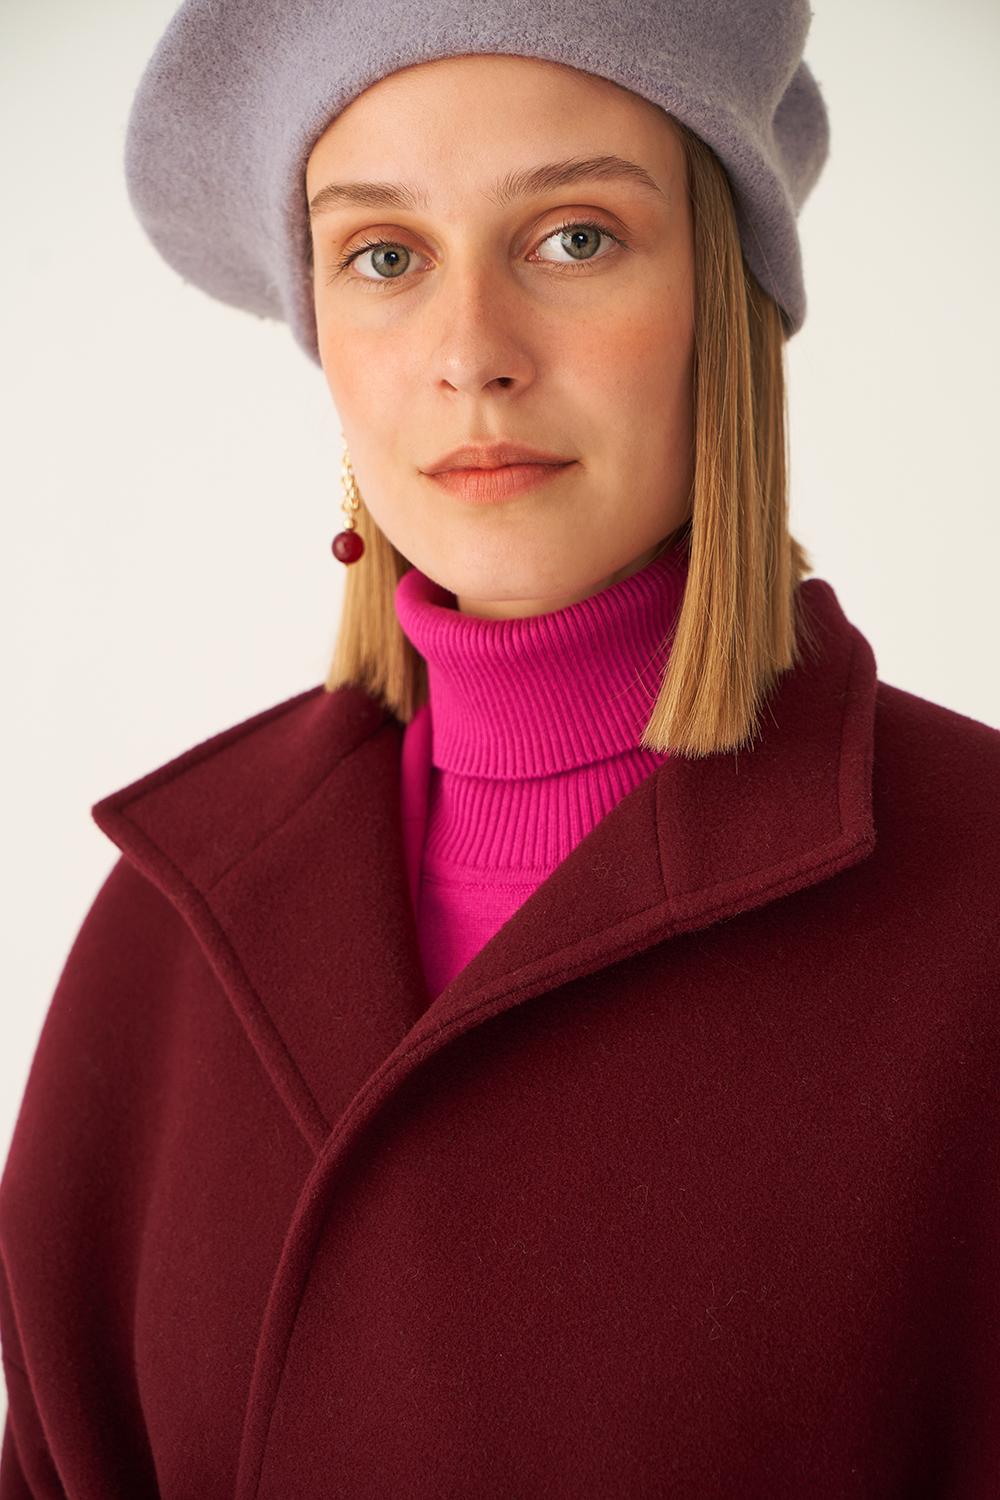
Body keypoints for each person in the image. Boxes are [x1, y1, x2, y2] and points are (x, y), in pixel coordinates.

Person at [1, 3, 998, 1496]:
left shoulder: (977, 905)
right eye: (383, 257)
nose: (472, 354)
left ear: (724, 303)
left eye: (575, 237)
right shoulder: (167, 928)